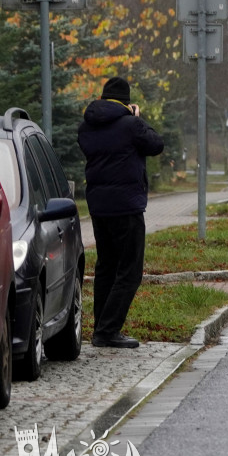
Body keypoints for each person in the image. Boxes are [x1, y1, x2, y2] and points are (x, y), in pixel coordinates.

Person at [78, 76, 164, 349]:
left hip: (99, 206)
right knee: (129, 271)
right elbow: (155, 145)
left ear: (103, 98)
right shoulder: (131, 124)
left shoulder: (86, 125)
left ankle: (100, 329)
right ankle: (107, 330)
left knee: (106, 267)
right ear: (126, 102)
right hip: (126, 206)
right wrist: (138, 118)